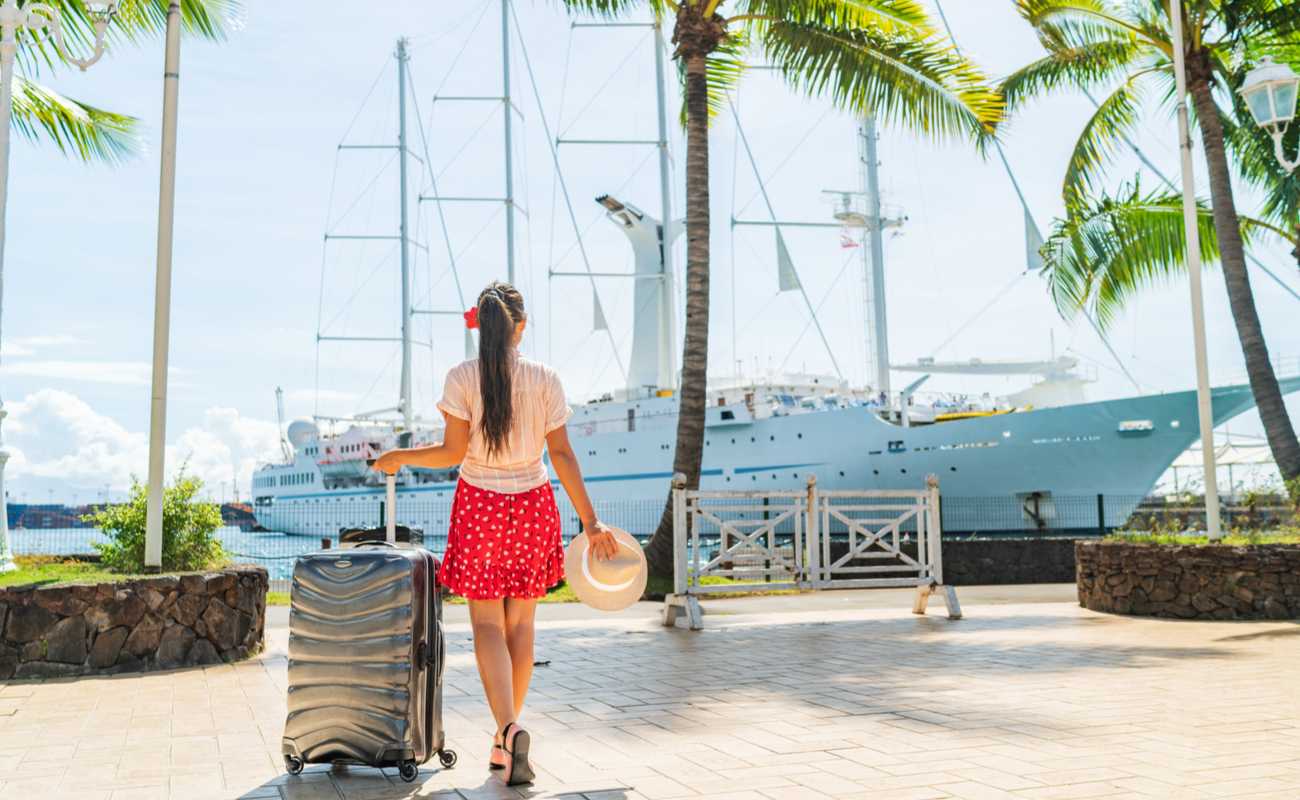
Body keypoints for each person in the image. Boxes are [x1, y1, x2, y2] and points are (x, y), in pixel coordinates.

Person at [373, 281, 617, 786]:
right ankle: (505, 737)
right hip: (533, 506)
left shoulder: (462, 377)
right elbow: (563, 456)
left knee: (486, 627)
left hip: (480, 505)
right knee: (521, 628)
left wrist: (400, 456)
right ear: (520, 327)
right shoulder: (546, 379)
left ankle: (507, 730)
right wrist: (590, 523)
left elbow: (451, 454)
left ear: (480, 328)